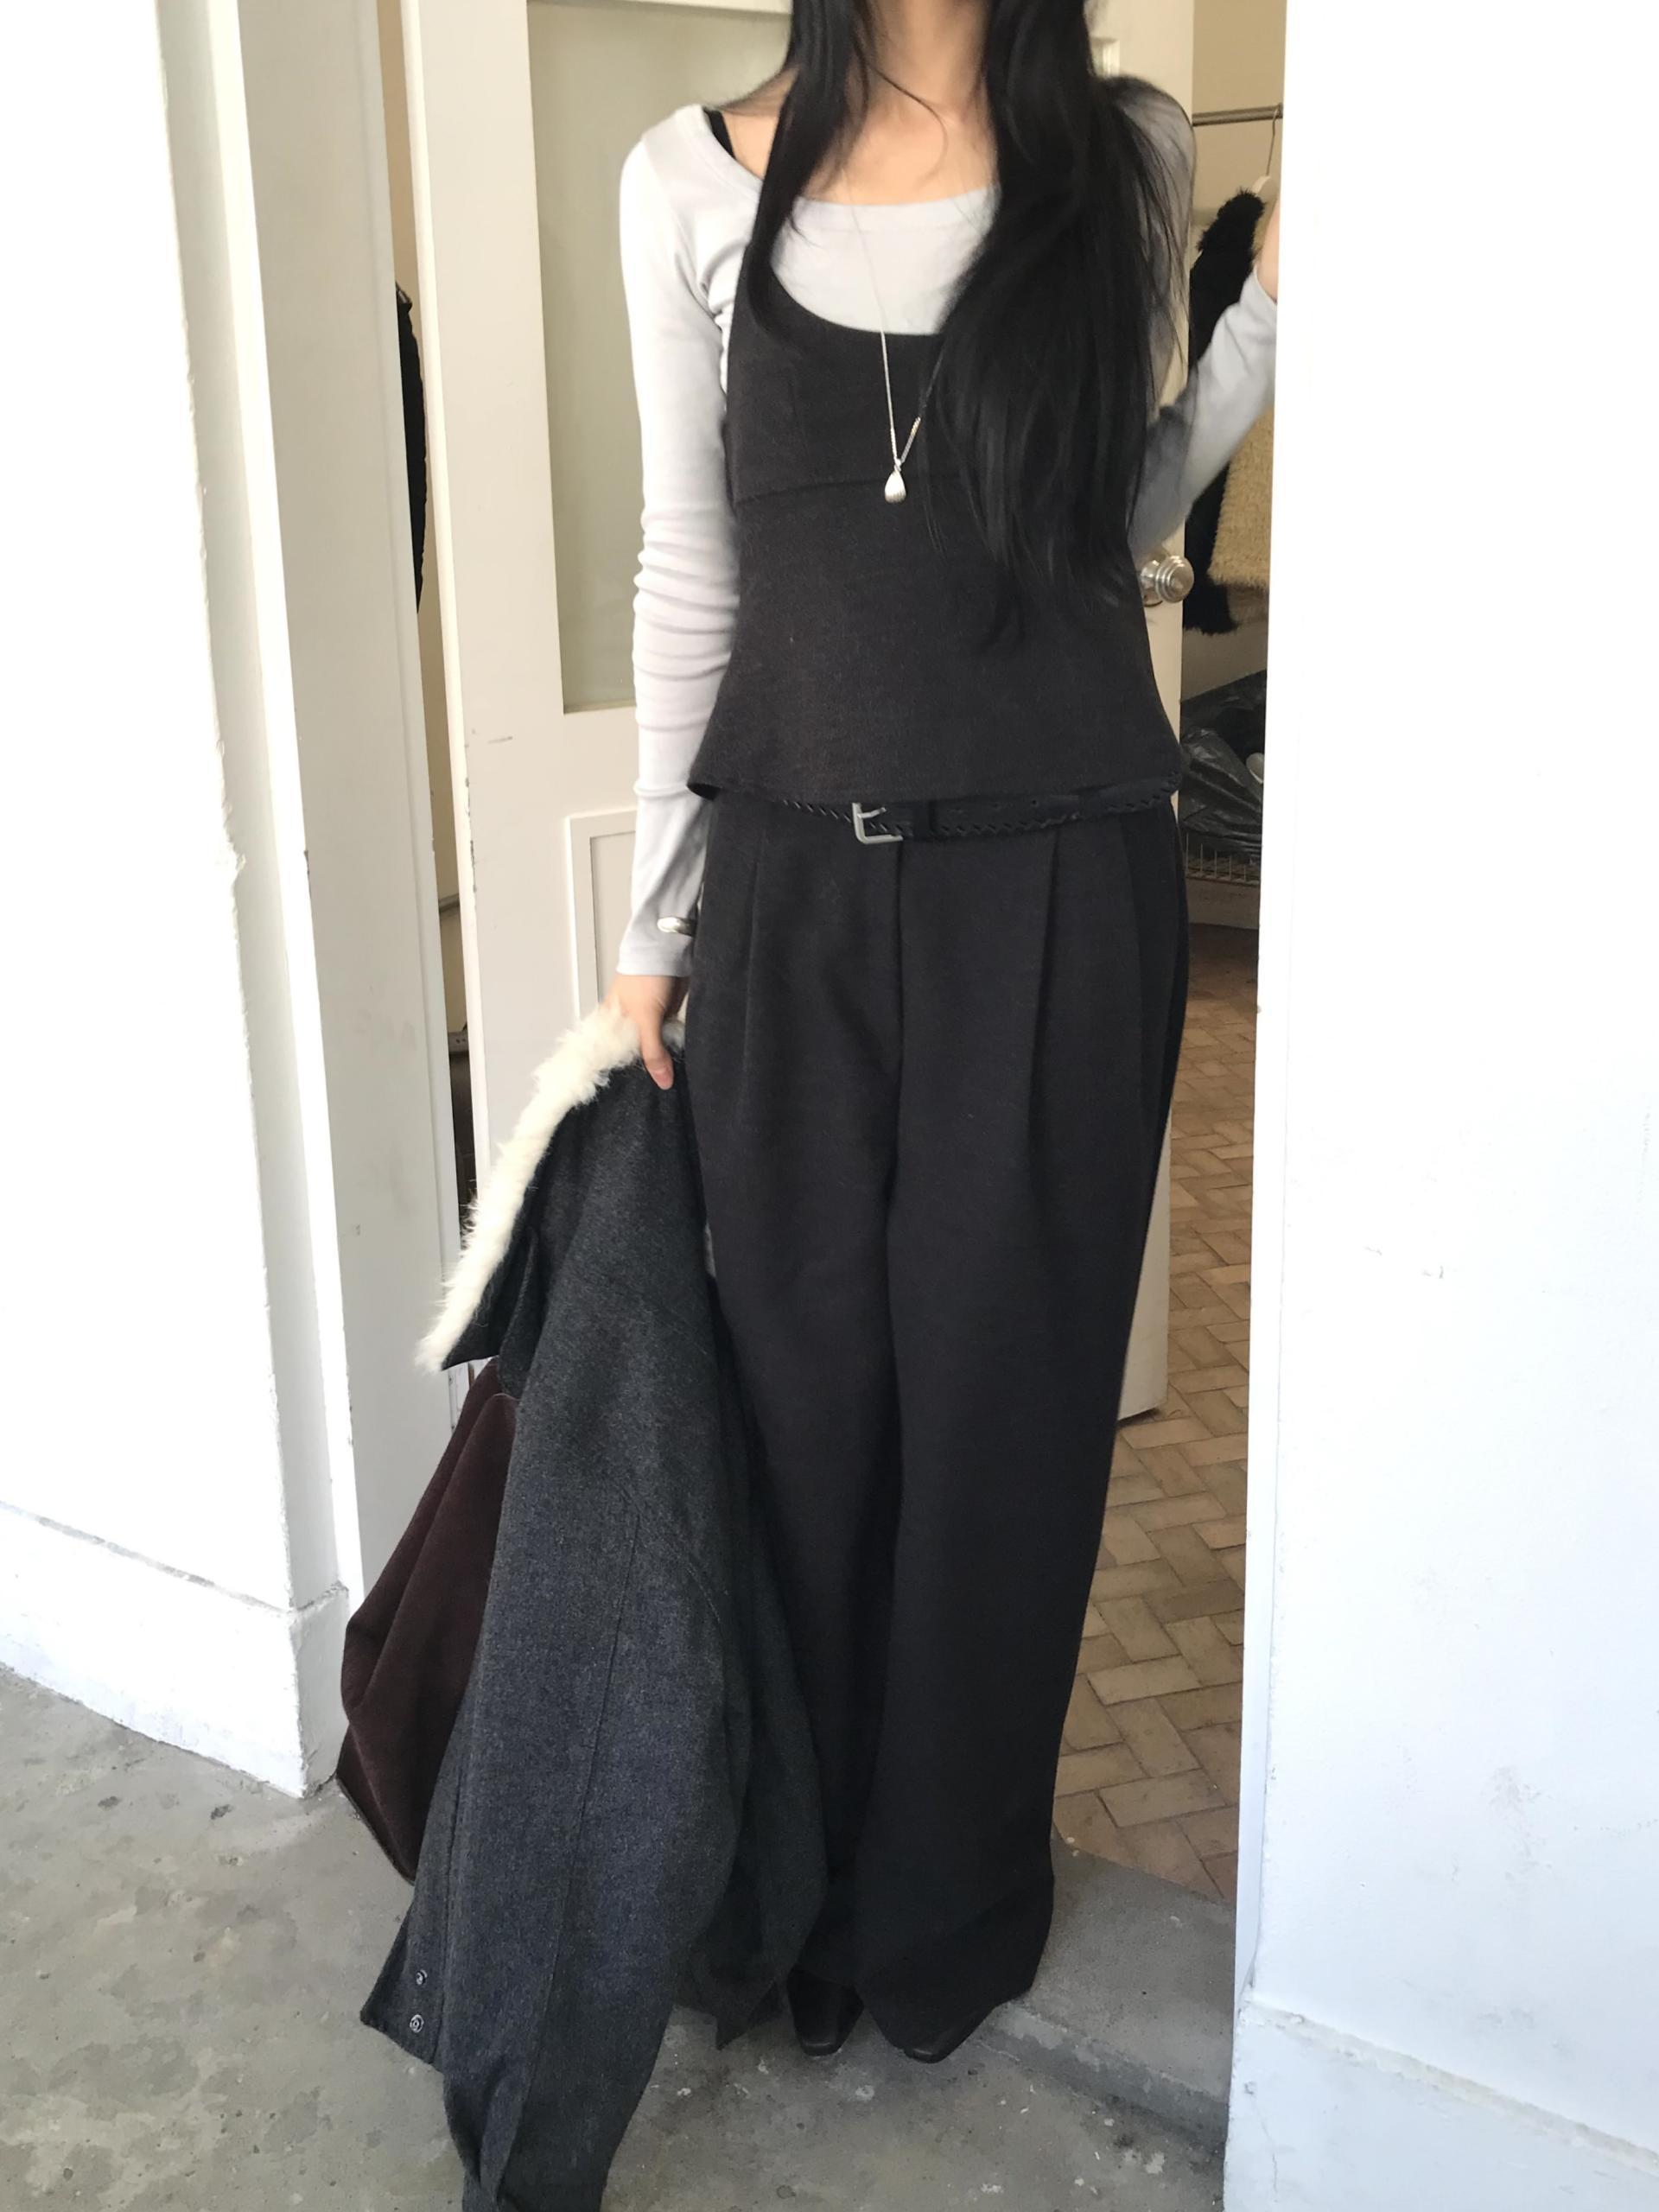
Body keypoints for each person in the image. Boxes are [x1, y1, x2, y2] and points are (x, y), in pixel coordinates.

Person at [606, 0, 1278, 2065]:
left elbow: (1105, 511)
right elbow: (691, 563)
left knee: (1008, 1416)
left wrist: (1262, 338)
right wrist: (653, 926)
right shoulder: (685, 180)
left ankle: (947, 1904)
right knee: (799, 1410)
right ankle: (787, 1887)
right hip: (793, 891)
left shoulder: (1123, 150)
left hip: (1061, 884)